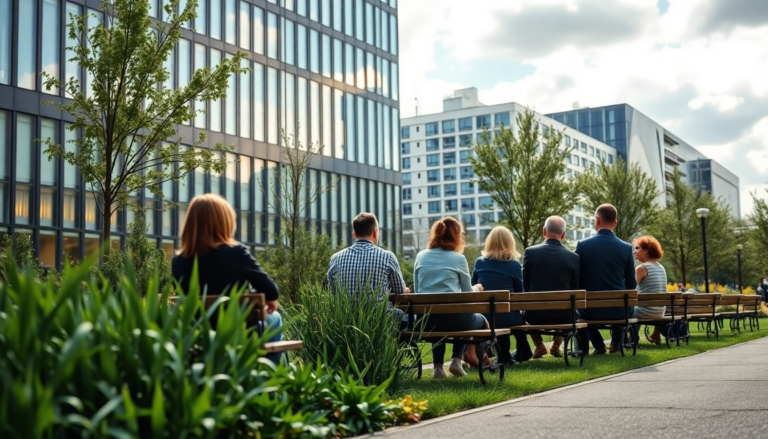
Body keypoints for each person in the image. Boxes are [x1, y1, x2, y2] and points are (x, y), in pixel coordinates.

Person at [172, 194, 283, 364]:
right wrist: (260, 296)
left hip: (199, 333)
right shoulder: (235, 253)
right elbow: (271, 291)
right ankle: (269, 372)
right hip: (239, 330)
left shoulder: (179, 261)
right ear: (224, 222)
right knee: (275, 318)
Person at [414, 217, 485, 379]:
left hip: (427, 322)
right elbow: (467, 293)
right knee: (474, 318)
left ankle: (438, 368)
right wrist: (478, 288)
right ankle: (456, 360)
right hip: (455, 320)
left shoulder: (421, 256)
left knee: (438, 315)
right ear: (456, 236)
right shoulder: (458, 258)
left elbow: (418, 291)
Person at [575, 204, 637, 355]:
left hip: (590, 310)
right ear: (615, 223)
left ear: (597, 220)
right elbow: (631, 283)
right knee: (625, 306)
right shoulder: (626, 247)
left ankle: (598, 345)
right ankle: (615, 343)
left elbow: (576, 279)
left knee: (578, 313)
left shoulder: (583, 245)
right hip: (619, 310)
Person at [522, 216, 580, 359]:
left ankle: (539, 345)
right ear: (563, 234)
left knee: (524, 316)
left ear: (544, 231)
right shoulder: (573, 257)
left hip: (535, 315)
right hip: (564, 315)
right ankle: (556, 344)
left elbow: (525, 284)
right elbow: (575, 287)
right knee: (569, 308)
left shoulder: (530, 252)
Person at [470, 226, 530, 366]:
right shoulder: (514, 264)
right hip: (506, 315)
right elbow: (519, 293)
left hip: (485, 316)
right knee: (510, 316)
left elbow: (473, 286)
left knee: (499, 314)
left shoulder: (480, 262)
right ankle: (516, 353)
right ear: (510, 243)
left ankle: (505, 356)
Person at [327, 212, 409, 300]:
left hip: (345, 313)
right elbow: (400, 290)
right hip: (379, 313)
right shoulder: (387, 256)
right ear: (375, 232)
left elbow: (332, 291)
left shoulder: (335, 258)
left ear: (354, 234)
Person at [631, 236, 668, 345]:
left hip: (646, 311)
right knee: (636, 308)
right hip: (660, 312)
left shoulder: (642, 268)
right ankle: (656, 334)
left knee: (627, 311)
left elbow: (631, 289)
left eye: (637, 248)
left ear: (646, 250)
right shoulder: (661, 267)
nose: (635, 252)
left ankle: (632, 339)